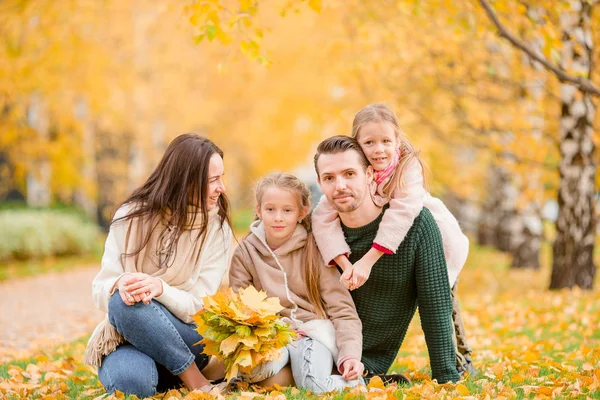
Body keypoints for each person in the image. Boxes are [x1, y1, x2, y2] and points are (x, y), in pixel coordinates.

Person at [312, 104, 473, 375]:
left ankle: (459, 358)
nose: (379, 150)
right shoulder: (346, 179)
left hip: (435, 234)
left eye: (386, 141)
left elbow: (402, 215)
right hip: (386, 228)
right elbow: (321, 219)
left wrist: (368, 259)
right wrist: (343, 262)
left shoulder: (407, 169)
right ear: (357, 146)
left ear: (397, 141)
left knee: (441, 294)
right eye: (369, 143)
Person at [84, 133, 233, 397]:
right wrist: (121, 284)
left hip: (187, 337)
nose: (221, 187)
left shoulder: (216, 229)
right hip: (128, 339)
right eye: (213, 181)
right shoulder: (130, 217)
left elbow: (201, 306)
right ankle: (182, 377)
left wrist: (159, 289)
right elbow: (101, 288)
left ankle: (192, 376)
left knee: (129, 302)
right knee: (131, 381)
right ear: (186, 182)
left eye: (221, 177)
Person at [228, 172, 364, 394]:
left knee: (314, 386)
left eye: (287, 210)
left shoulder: (315, 249)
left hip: (310, 332)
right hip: (271, 335)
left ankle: (355, 384)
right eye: (270, 209)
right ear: (259, 209)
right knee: (252, 372)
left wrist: (350, 355)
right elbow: (239, 309)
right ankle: (289, 375)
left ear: (302, 212)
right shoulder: (246, 252)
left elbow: (342, 310)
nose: (278, 218)